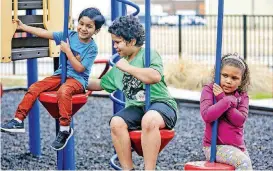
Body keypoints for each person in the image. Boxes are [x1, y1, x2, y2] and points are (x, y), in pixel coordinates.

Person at [1, 8, 105, 151]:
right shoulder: (68, 35)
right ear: (77, 22)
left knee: (64, 92)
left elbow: (80, 68)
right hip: (60, 75)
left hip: (77, 80)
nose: (83, 28)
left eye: (89, 26)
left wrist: (68, 51)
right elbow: (45, 33)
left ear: (96, 31)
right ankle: (18, 119)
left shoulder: (92, 48)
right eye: (81, 23)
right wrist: (23, 27)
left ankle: (64, 129)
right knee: (35, 87)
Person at [87, 15, 177, 170]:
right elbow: (100, 84)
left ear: (132, 41)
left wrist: (128, 68)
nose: (115, 46)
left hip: (161, 104)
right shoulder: (119, 67)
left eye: (118, 42)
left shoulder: (147, 54)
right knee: (116, 122)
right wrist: (76, 80)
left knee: (149, 120)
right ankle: (128, 168)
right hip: (137, 108)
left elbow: (154, 76)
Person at [200, 53, 252, 170]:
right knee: (243, 163)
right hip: (214, 147)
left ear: (241, 80)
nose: (228, 81)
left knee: (246, 164)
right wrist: (225, 100)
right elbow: (207, 116)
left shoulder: (242, 96)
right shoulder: (209, 90)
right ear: (218, 74)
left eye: (234, 78)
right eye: (225, 75)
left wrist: (222, 98)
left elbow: (239, 120)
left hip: (239, 147)